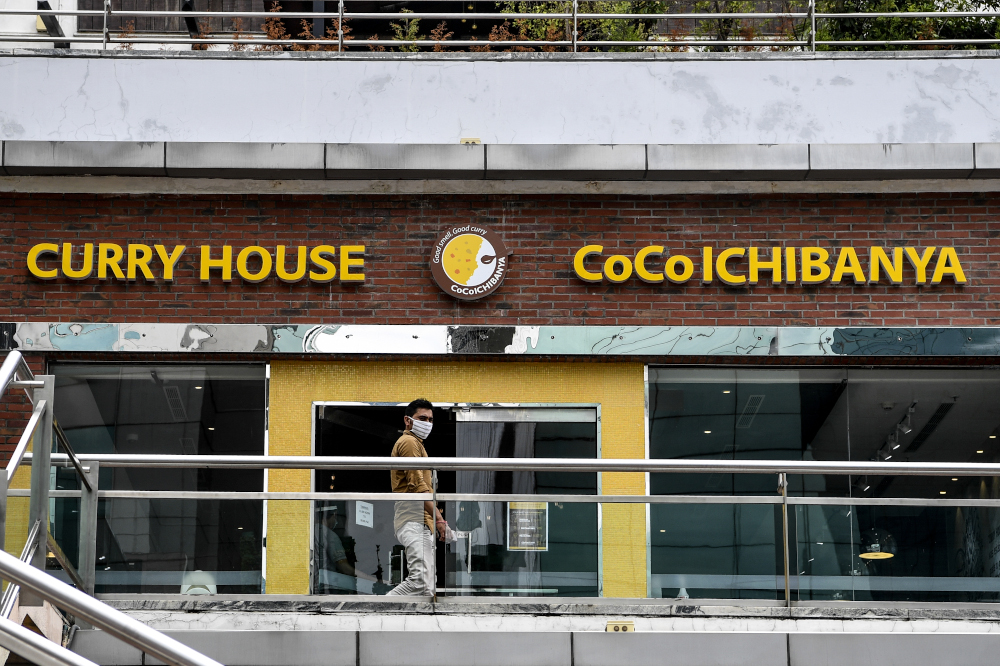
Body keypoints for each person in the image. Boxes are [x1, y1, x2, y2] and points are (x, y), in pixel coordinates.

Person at [386, 398, 448, 596]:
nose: (427, 423)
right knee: (420, 582)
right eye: (422, 418)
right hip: (414, 519)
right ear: (408, 420)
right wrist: (440, 519)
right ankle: (375, 610)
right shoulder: (409, 442)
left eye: (430, 419)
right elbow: (417, 486)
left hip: (422, 522)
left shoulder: (418, 445)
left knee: (428, 588)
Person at [314, 503, 359, 593]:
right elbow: (344, 567)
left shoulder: (310, 531)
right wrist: (367, 577)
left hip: (312, 586)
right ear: (334, 514)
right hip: (326, 587)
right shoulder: (329, 535)